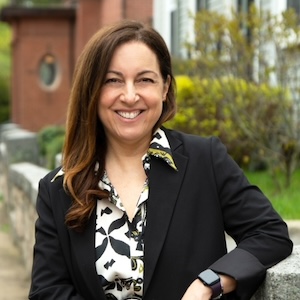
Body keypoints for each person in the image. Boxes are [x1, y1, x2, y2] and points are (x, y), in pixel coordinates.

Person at [29, 20, 293, 300]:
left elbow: (269, 234)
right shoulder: (59, 188)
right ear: (92, 91)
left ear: (165, 87)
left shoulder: (206, 160)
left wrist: (210, 283)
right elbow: (48, 291)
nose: (130, 96)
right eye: (113, 80)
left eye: (145, 79)